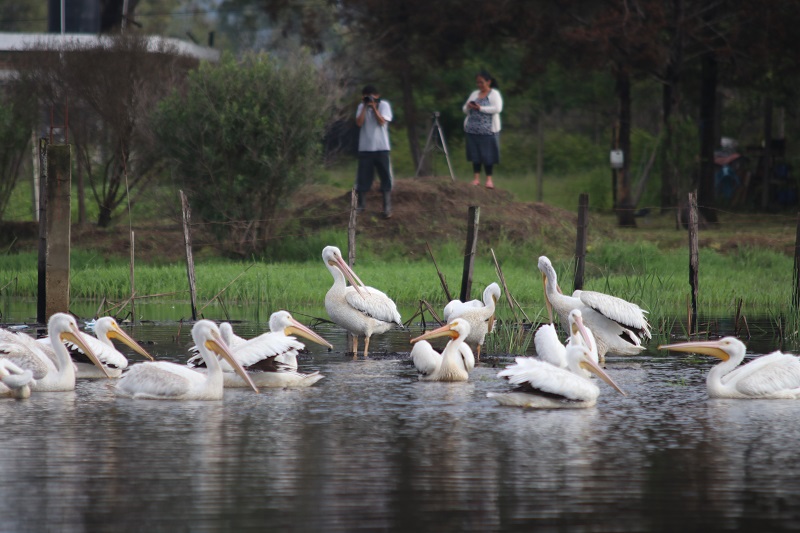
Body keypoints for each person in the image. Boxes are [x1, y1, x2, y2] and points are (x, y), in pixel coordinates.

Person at [355, 84, 394, 218]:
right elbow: (359, 123)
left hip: (381, 147)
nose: (370, 99)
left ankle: (387, 207)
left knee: (385, 177)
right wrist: (365, 107)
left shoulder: (384, 105)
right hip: (365, 148)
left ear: (377, 96)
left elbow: (382, 122)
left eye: (372, 97)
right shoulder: (361, 107)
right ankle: (361, 205)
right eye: (366, 97)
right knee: (363, 177)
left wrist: (375, 108)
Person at [462, 70, 503, 189]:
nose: (479, 85)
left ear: (488, 82)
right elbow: (464, 109)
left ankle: (489, 180)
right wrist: (469, 107)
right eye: (478, 83)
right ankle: (476, 178)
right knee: (475, 155)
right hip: (472, 129)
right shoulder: (475, 94)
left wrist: (481, 108)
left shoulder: (494, 94)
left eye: (482, 82)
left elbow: (497, 109)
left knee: (488, 155)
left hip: (488, 130)